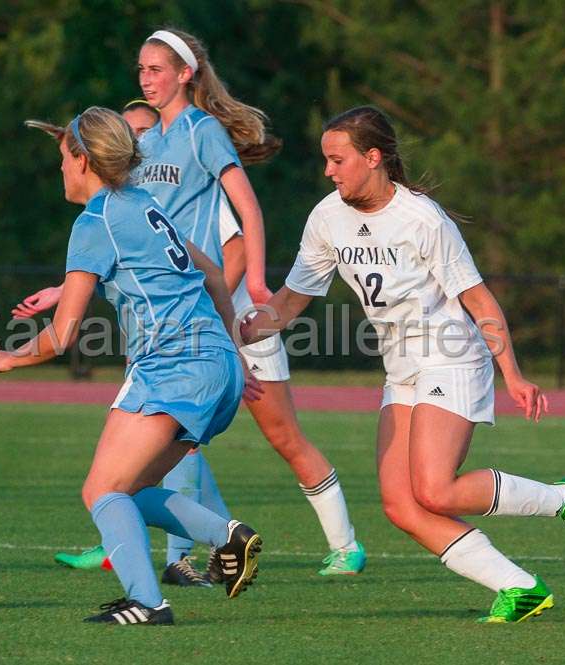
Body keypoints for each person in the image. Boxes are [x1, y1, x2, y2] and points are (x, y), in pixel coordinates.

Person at [241, 106, 565, 623]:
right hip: (401, 369)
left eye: (338, 159)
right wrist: (236, 328)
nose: (329, 171)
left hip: (452, 357)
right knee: (402, 506)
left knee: (435, 488)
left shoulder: (422, 219)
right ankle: (520, 586)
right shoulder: (327, 217)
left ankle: (564, 497)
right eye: (326, 161)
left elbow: (481, 302)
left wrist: (513, 374)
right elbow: (287, 304)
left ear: (373, 158)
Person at [34, 27, 368, 580]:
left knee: (281, 433)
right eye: (141, 69)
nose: (145, 79)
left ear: (186, 73)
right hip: (177, 314)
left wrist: (256, 287)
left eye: (156, 68)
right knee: (174, 439)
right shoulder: (154, 148)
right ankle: (169, 546)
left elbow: (244, 218)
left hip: (225, 308)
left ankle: (343, 544)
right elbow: (125, 233)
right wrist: (69, 287)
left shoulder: (201, 133)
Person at [0, 107, 264, 625]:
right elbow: (216, 277)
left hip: (172, 366)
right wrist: (233, 357)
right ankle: (227, 536)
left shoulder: (95, 221)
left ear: (83, 160)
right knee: (126, 492)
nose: (60, 168)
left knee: (101, 491)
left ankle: (148, 603)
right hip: (216, 365)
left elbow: (62, 336)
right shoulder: (145, 202)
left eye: (63, 157)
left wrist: (10, 358)